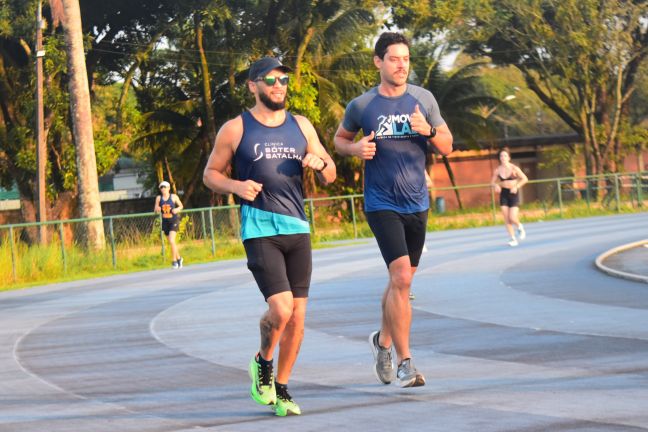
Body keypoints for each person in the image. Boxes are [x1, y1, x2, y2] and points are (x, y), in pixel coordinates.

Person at [203, 57, 336, 416]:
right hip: (260, 227)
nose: (279, 85)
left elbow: (331, 173)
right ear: (253, 85)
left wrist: (320, 163)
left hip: (298, 228)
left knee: (299, 318)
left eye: (284, 80)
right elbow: (210, 174)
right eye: (271, 79)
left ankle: (282, 387)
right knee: (281, 307)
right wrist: (235, 185)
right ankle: (262, 361)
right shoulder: (236, 128)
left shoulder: (302, 126)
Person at [334, 32, 453, 388]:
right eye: (394, 59)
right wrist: (356, 150)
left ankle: (382, 343)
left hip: (417, 202)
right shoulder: (362, 106)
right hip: (381, 202)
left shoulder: (423, 99)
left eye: (405, 59)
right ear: (378, 62)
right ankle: (406, 362)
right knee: (401, 278)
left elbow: (447, 145)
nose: (401, 65)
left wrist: (428, 129)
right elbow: (340, 141)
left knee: (401, 282)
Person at [490, 147, 528, 246]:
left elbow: (525, 179)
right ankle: (512, 239)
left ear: (509, 158)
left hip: (513, 193)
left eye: (505, 156)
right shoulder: (497, 170)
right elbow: (492, 183)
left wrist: (517, 186)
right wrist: (496, 185)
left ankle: (519, 226)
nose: (503, 157)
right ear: (499, 158)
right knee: (506, 218)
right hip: (504, 194)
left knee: (512, 217)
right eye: (501, 156)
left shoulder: (514, 168)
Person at [153, 181, 184, 268]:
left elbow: (181, 206)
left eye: (165, 187)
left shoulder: (173, 197)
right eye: (161, 187)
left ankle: (174, 261)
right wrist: (157, 208)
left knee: (171, 240)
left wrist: (177, 209)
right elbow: (155, 209)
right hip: (165, 221)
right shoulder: (159, 198)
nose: (163, 189)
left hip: (173, 220)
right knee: (171, 242)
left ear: (169, 188)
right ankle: (179, 258)